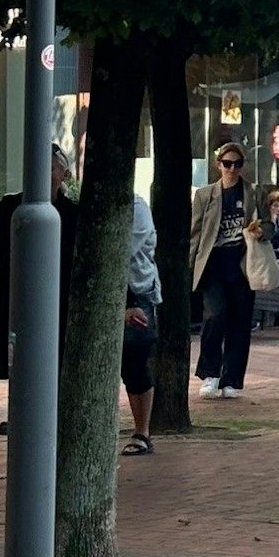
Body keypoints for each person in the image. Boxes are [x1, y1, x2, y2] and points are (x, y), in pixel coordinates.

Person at [0, 143, 78, 380]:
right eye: (37, 168)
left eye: (50, 169)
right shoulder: (10, 209)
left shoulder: (72, 215)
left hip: (57, 313)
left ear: (63, 174)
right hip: (13, 309)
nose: (42, 176)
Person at [187, 141, 269, 399]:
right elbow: (196, 231)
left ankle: (232, 378)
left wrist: (263, 231)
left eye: (237, 164)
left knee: (240, 321)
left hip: (242, 264)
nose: (232, 169)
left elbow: (269, 224)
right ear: (218, 165)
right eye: (227, 164)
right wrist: (190, 265)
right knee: (215, 315)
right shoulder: (205, 195)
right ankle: (209, 373)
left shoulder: (253, 192)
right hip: (213, 264)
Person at [121, 193, 160, 456]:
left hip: (138, 290)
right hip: (117, 292)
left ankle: (142, 431)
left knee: (134, 362)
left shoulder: (137, 208)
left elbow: (120, 251)